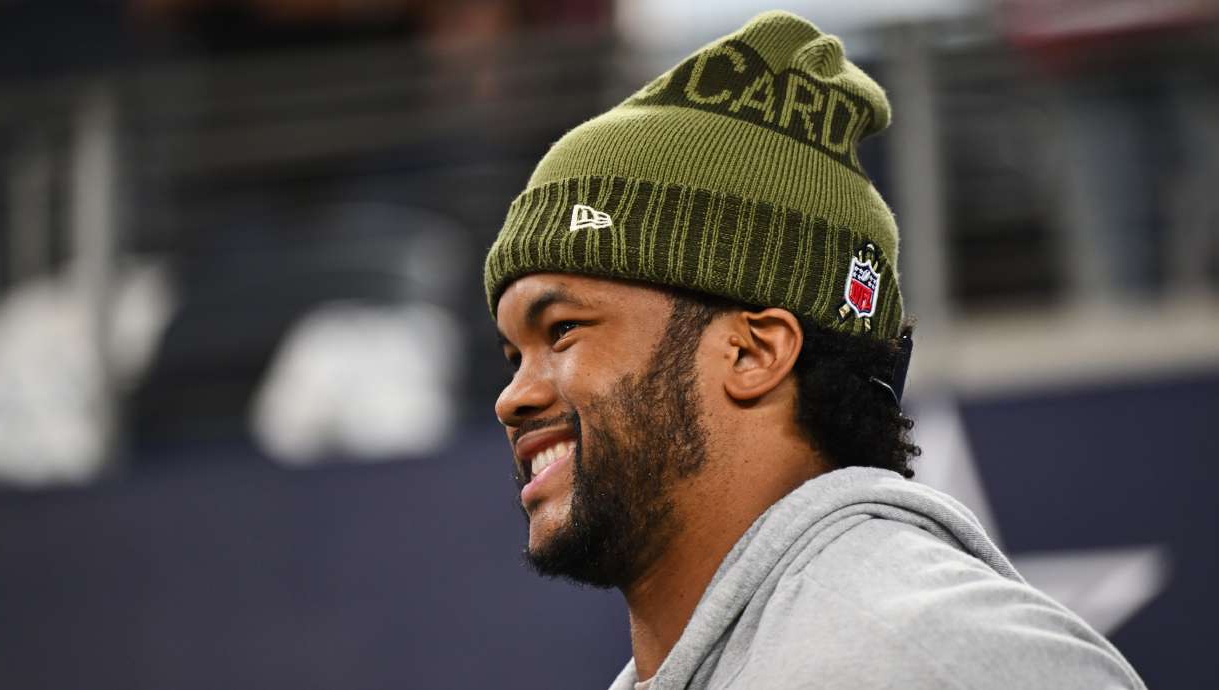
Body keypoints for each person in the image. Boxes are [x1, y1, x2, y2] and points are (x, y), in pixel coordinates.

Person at [485, 11, 1146, 690]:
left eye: (562, 330)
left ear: (753, 351)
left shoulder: (936, 656)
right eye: (513, 355)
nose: (514, 397)